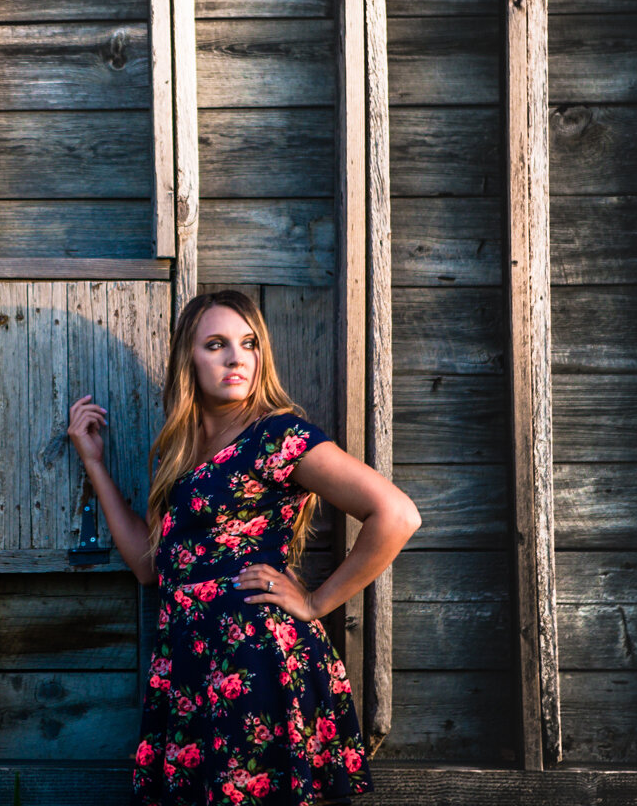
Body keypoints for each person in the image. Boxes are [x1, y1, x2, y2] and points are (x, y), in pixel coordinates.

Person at [66, 289, 420, 806]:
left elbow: (397, 515)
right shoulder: (177, 449)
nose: (236, 357)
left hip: (254, 660)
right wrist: (95, 463)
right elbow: (151, 567)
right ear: (189, 356)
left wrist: (316, 602)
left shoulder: (276, 436)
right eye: (216, 344)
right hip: (189, 661)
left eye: (248, 343)